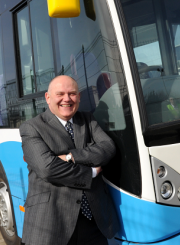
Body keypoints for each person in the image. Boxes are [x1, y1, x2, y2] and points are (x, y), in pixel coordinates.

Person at [19, 75, 119, 245]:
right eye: (60, 94)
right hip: (52, 222)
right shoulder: (32, 127)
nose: (67, 99)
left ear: (79, 97)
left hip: (93, 221)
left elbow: (108, 148)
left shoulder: (88, 119)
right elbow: (48, 169)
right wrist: (91, 172)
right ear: (48, 98)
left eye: (72, 93)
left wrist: (70, 157)